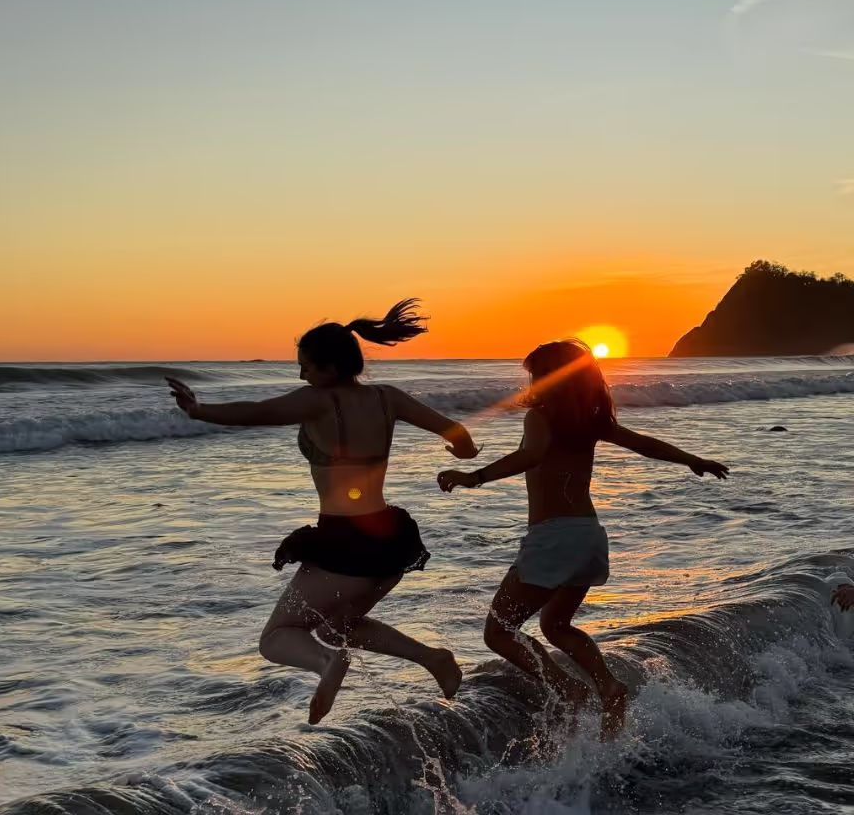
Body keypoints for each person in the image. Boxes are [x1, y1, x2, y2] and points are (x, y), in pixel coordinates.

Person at [166, 299, 480, 724]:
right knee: (338, 624)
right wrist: (463, 451)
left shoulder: (319, 400)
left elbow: (261, 413)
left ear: (330, 369)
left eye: (307, 367)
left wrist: (200, 411)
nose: (301, 375)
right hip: (390, 540)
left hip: (345, 541)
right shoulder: (389, 398)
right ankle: (433, 658)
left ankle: (328, 664)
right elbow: (457, 433)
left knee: (277, 638)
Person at [437, 339, 729, 738]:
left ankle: (568, 689)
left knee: (499, 631)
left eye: (537, 374)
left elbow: (533, 455)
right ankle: (608, 685)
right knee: (556, 624)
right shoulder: (591, 420)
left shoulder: (540, 417)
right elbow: (641, 443)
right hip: (589, 536)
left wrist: (475, 477)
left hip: (554, 537)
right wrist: (693, 459)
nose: (532, 381)